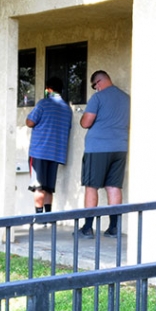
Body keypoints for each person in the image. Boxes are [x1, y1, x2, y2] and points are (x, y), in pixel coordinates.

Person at [78, 70, 130, 238]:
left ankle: (87, 228)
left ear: (98, 82)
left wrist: (82, 117)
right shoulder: (126, 98)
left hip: (98, 148)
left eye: (94, 86)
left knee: (91, 186)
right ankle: (114, 227)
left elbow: (86, 123)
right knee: (114, 187)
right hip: (120, 147)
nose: (95, 89)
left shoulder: (97, 98)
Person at [26, 77, 73, 216]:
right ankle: (48, 218)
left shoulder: (43, 103)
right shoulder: (66, 108)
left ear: (48, 89)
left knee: (38, 187)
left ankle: (39, 217)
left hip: (39, 151)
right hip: (56, 153)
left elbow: (29, 122)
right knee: (49, 188)